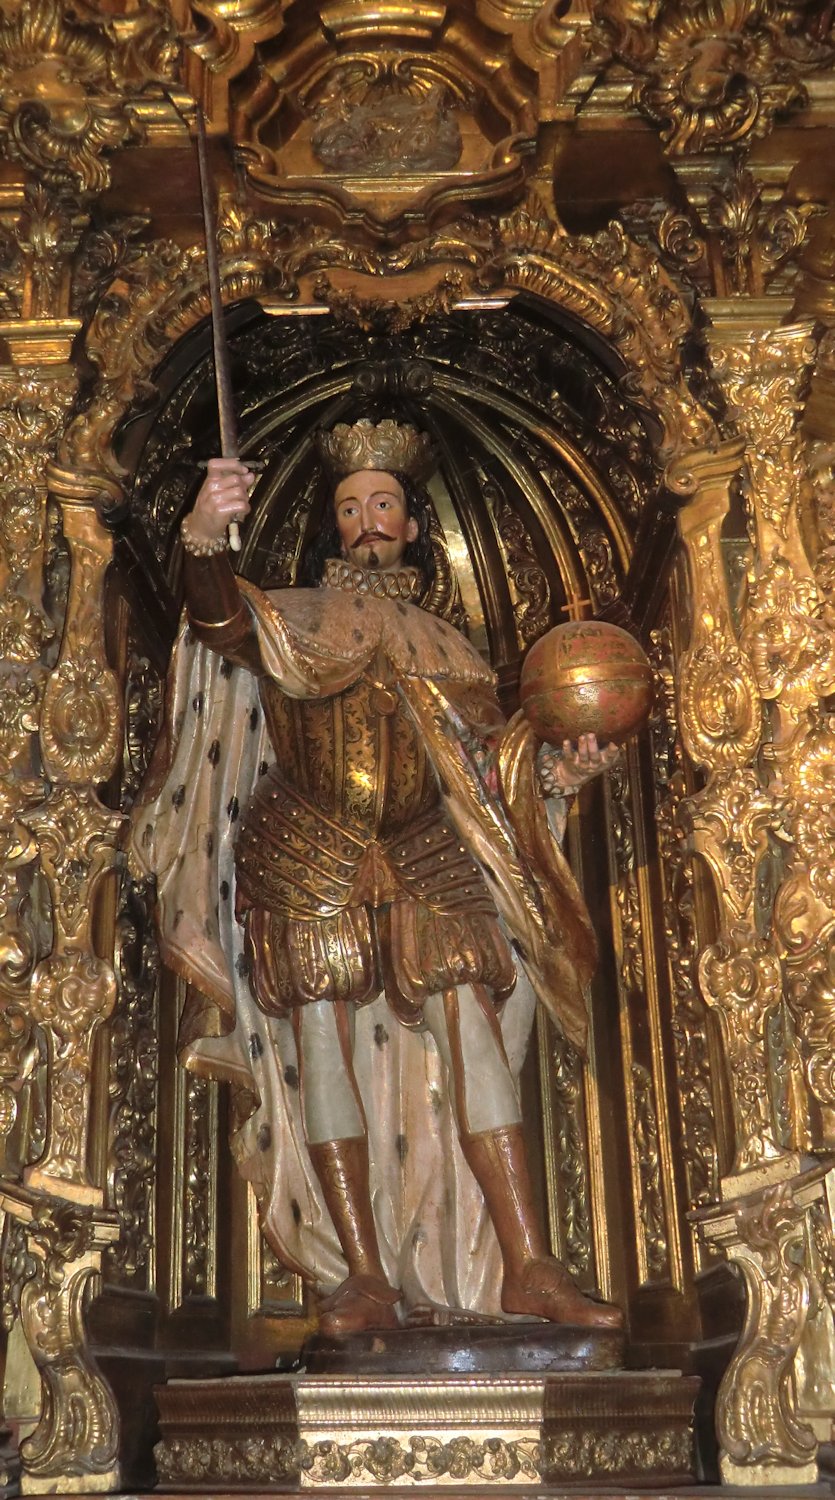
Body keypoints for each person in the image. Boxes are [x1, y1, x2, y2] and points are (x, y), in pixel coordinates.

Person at [131, 419, 621, 1336]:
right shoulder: (292, 616)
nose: (367, 522)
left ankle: (525, 1263)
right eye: (351, 507)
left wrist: (555, 778)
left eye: (384, 506)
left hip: (429, 854)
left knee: (471, 1035)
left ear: (410, 525)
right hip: (304, 849)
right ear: (332, 524)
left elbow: (487, 779)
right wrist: (203, 531)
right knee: (320, 1042)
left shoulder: (452, 648)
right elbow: (217, 619)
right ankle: (361, 1273)